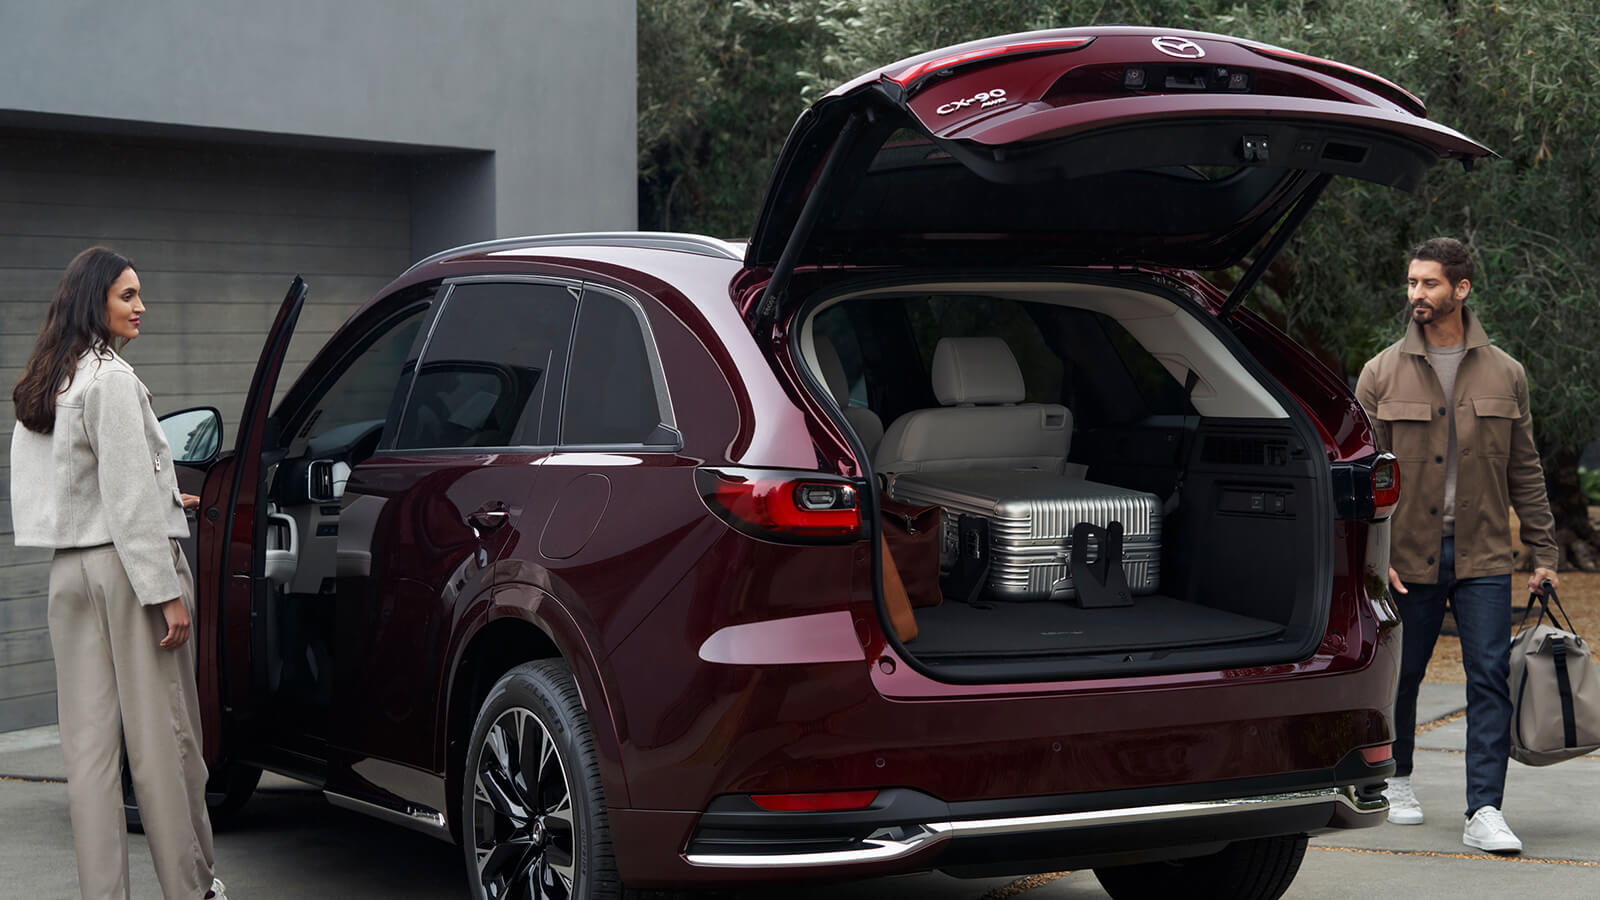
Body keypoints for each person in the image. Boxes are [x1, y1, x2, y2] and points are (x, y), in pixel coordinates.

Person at [10, 247, 228, 899]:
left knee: (90, 755)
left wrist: (164, 499)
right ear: (94, 300)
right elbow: (128, 497)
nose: (141, 308)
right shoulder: (111, 381)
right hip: (129, 574)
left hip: (69, 578)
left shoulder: (47, 381)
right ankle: (191, 888)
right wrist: (165, 590)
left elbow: (77, 486)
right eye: (128, 295)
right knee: (166, 743)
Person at [1355, 237, 1561, 855]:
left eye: (1429, 284)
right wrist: (1373, 555)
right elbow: (1361, 477)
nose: (1416, 294)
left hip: (1484, 555)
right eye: (1412, 283)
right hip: (1404, 556)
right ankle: (1401, 780)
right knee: (1404, 674)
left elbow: (1525, 468)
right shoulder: (1380, 372)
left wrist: (1545, 553)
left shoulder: (1506, 372)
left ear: (1461, 290)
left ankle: (1485, 810)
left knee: (1490, 678)